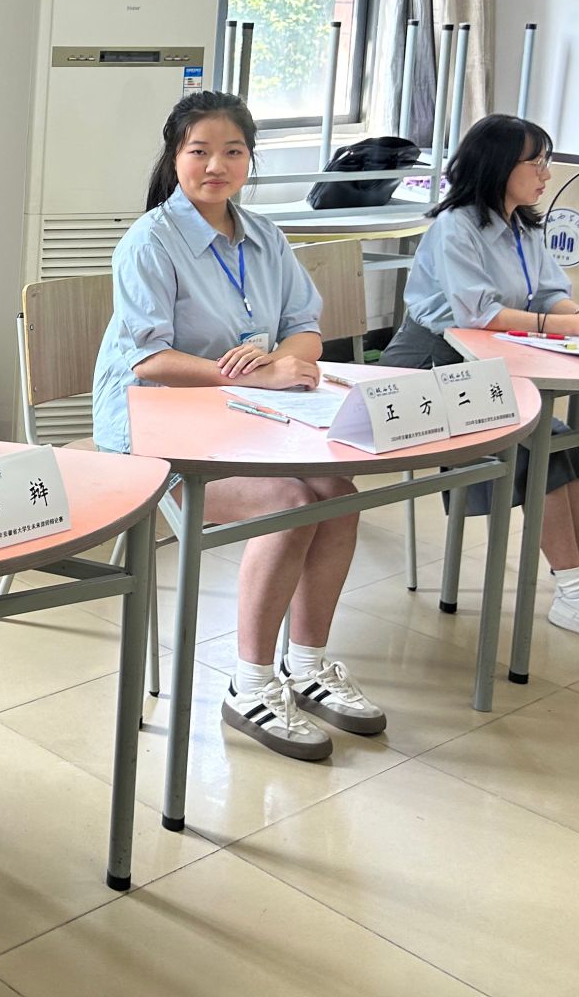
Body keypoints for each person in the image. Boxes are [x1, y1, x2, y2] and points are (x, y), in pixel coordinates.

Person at [92, 91, 383, 763]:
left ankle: (306, 666)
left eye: (232, 151)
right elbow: (150, 360)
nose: (215, 166)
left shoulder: (264, 236)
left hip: (243, 418)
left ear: (251, 160)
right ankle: (250, 682)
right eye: (199, 151)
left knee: (338, 494)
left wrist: (283, 362)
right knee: (289, 503)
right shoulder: (150, 241)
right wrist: (254, 377)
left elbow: (304, 328)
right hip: (152, 429)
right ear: (175, 158)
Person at [382, 113, 579, 651]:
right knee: (540, 440)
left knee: (556, 440)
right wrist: (571, 328)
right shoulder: (456, 226)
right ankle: (574, 592)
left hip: (482, 368)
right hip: (424, 372)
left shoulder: (523, 226)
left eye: (546, 162)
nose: (546, 174)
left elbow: (547, 295)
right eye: (535, 163)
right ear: (497, 165)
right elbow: (479, 314)